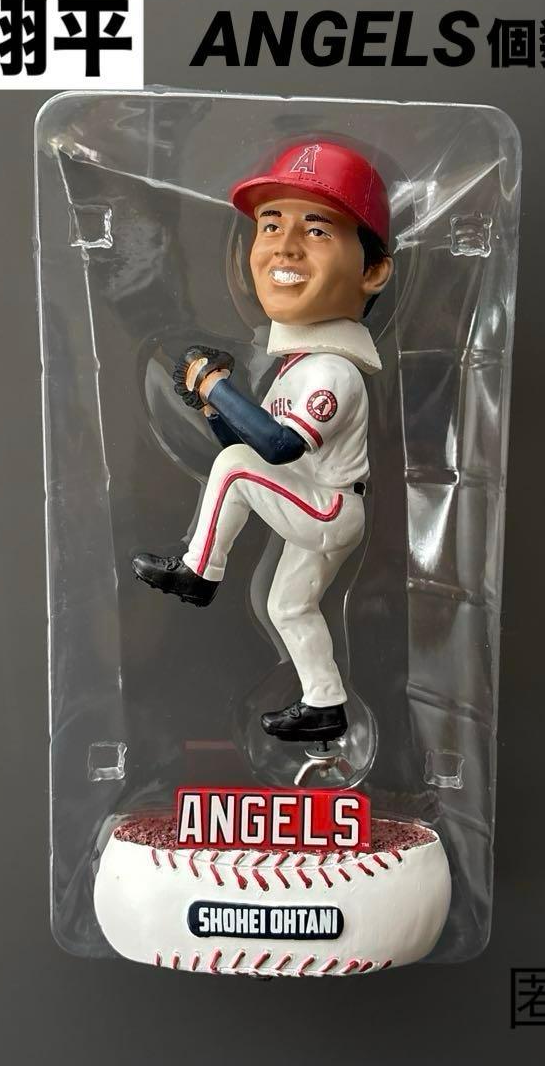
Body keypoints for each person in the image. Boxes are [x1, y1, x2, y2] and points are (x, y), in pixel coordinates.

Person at [133, 141, 393, 743]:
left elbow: (275, 450)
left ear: (372, 270)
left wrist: (218, 387)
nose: (284, 245)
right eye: (270, 224)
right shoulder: (298, 364)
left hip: (329, 508)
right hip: (313, 499)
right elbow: (248, 450)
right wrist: (212, 405)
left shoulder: (333, 370)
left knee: (236, 465)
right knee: (288, 607)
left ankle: (199, 572)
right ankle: (326, 705)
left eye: (318, 230)